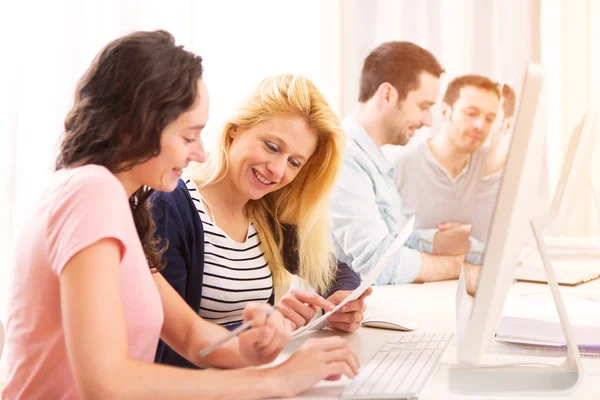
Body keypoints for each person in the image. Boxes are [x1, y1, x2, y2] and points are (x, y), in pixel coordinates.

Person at [2, 30, 358, 400]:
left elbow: (191, 335)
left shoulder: (120, 205)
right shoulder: (91, 193)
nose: (201, 154)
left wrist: (255, 349)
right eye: (189, 137)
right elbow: (105, 383)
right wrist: (274, 380)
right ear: (137, 127)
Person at [151, 73, 370, 368]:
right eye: (272, 146)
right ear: (235, 130)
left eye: (294, 162)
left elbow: (330, 270)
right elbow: (163, 349)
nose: (278, 171)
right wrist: (265, 329)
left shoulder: (265, 213)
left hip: (252, 381)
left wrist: (343, 299)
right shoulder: (172, 207)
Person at [330, 41, 481, 289]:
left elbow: (391, 241)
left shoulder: (372, 160)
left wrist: (443, 241)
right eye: (423, 106)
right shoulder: (344, 159)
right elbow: (379, 264)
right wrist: (460, 267)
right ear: (388, 94)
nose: (427, 120)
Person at [392, 75, 501, 257]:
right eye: (471, 113)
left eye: (490, 119)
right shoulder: (400, 165)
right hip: (418, 281)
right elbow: (384, 243)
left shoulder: (492, 168)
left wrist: (470, 235)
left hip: (469, 280)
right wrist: (444, 241)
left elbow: (506, 241)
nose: (480, 125)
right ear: (444, 112)